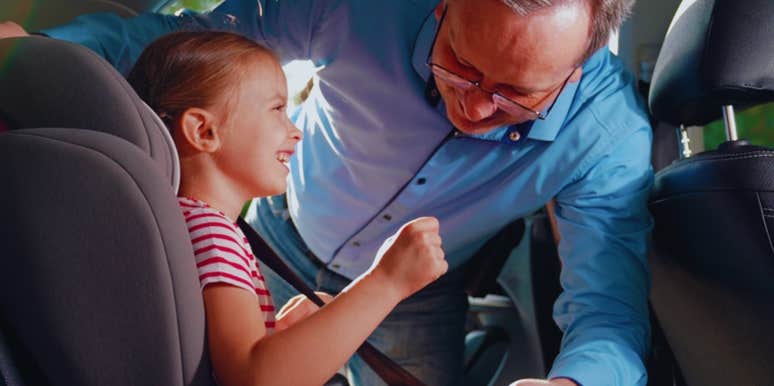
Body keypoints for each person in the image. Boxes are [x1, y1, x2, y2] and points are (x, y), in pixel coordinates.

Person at [0, 0, 653, 384]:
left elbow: (609, 313)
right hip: (277, 234)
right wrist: (42, 57)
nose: (477, 107)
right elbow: (188, 49)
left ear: (580, 66)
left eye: (516, 93)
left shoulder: (610, 139)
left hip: (416, 303)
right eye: (460, 62)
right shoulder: (363, 7)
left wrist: (572, 382)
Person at [124, 30, 448, 386]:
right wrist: (388, 281)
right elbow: (253, 377)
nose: (295, 131)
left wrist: (280, 334)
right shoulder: (213, 234)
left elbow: (216, 355)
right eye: (277, 109)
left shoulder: (185, 221)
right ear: (204, 131)